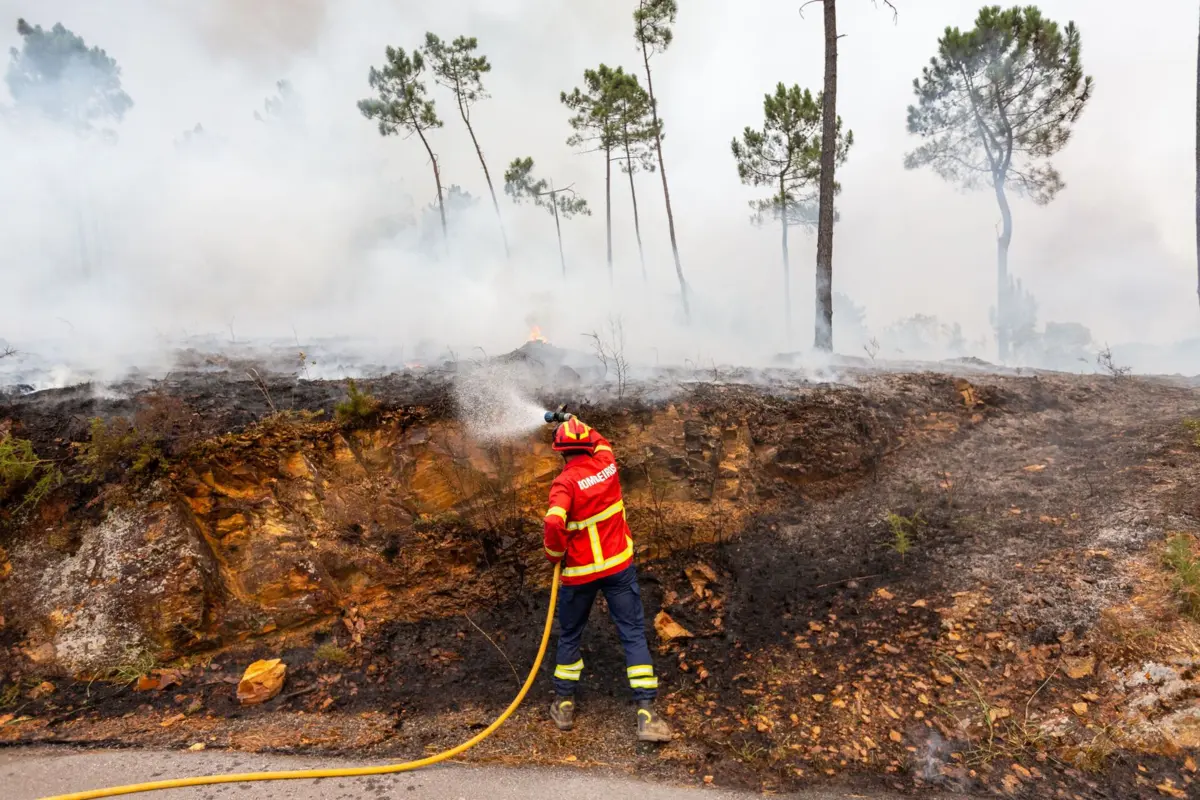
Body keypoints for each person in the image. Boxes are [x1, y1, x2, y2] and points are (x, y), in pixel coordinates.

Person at [541, 415, 672, 742]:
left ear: (560, 452)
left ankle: (565, 704)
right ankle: (646, 713)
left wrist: (554, 555)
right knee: (632, 634)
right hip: (617, 567)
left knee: (570, 634)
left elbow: (554, 523)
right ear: (587, 444)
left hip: (581, 574)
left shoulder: (565, 483)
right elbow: (600, 440)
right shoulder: (607, 463)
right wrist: (572, 419)